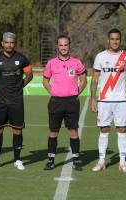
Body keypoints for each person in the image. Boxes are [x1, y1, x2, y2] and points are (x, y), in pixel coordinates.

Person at [90, 28, 126, 172]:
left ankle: (122, 162)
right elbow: (94, 80)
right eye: (112, 39)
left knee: (122, 129)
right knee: (104, 129)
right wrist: (93, 98)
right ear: (108, 40)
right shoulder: (100, 57)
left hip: (121, 100)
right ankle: (102, 161)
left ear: (120, 40)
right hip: (104, 100)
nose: (115, 41)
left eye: (117, 39)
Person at [0, 32, 33, 170]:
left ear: (15, 43)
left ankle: (17, 160)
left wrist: (20, 86)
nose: (9, 45)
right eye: (7, 42)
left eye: (12, 42)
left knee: (17, 131)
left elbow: (29, 75)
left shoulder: (21, 58)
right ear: (2, 43)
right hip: (0, 101)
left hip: (16, 101)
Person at [43, 35, 87, 171]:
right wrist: (54, 92)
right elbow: (45, 81)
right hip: (56, 102)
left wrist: (76, 93)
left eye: (66, 45)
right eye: (61, 45)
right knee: (53, 131)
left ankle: (76, 159)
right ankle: (50, 160)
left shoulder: (76, 62)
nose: (63, 47)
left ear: (69, 46)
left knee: (73, 131)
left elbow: (84, 79)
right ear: (57, 46)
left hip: (71, 102)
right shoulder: (51, 63)